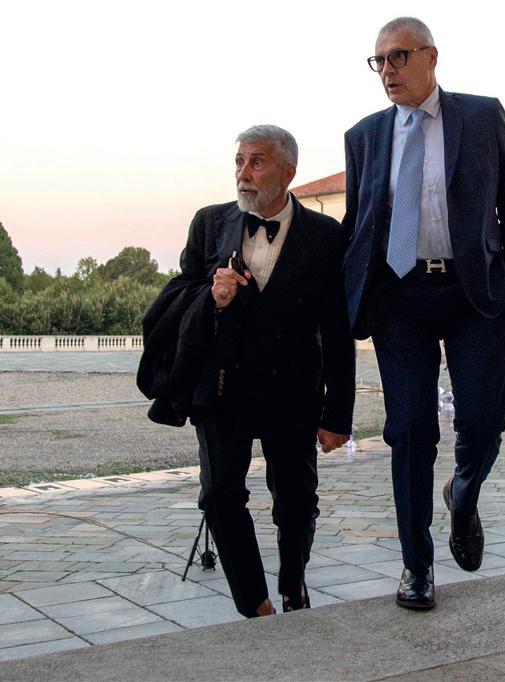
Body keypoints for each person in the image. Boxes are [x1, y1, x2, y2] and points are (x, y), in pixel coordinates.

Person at [342, 17, 505, 609]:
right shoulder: (364, 136)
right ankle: (416, 566)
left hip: (476, 296)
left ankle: (464, 490)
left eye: (398, 57)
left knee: (483, 420)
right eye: (379, 61)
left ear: (431, 56)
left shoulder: (481, 116)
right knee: (409, 430)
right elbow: (358, 224)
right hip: (400, 299)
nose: (387, 71)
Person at [137, 125, 355, 618]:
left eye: (257, 162)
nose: (243, 173)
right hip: (220, 388)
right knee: (218, 497)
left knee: (296, 503)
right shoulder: (209, 223)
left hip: (292, 392)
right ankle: (254, 604)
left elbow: (337, 330)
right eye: (239, 161)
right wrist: (211, 297)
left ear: (287, 172)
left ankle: (293, 583)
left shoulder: (326, 236)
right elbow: (179, 292)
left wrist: (337, 415)